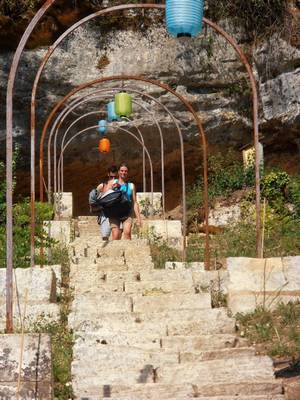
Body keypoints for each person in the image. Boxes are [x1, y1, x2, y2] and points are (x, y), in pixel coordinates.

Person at [110, 163, 142, 240]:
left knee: (127, 232)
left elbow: (134, 202)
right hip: (114, 213)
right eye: (121, 170)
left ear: (127, 173)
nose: (123, 172)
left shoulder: (131, 186)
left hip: (127, 213)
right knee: (115, 235)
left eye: (125, 171)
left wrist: (138, 218)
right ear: (118, 172)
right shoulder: (112, 183)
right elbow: (106, 196)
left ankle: (129, 252)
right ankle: (116, 251)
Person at [96, 165, 118, 240]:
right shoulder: (102, 186)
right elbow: (95, 198)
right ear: (108, 174)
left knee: (117, 236)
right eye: (111, 177)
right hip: (105, 214)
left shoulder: (120, 185)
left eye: (115, 177)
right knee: (105, 237)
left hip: (116, 213)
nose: (113, 179)